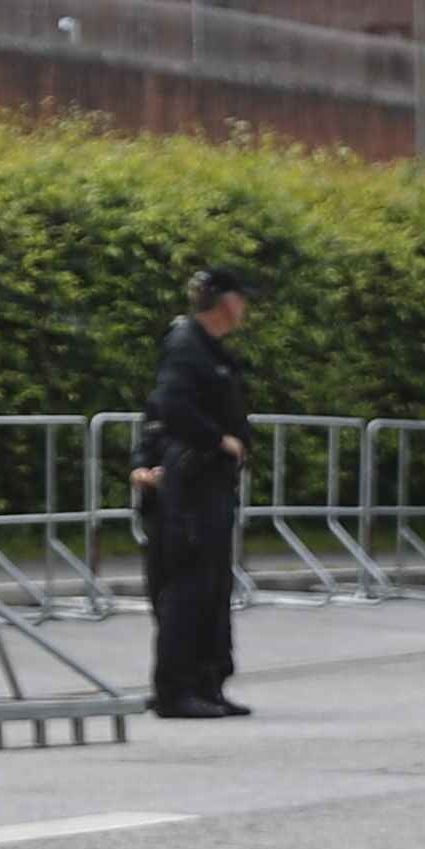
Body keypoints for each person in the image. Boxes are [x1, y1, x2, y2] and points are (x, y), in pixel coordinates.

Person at [136, 264, 256, 718]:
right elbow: (168, 407)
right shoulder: (187, 345)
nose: (243, 307)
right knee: (188, 585)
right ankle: (176, 689)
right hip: (191, 483)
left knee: (212, 586)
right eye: (240, 298)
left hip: (209, 483)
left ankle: (208, 683)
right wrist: (217, 440)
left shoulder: (208, 349)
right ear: (226, 302)